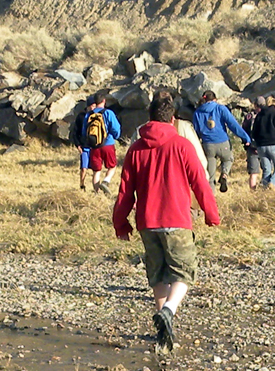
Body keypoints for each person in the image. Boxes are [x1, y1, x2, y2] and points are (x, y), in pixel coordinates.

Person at [112, 91, 221, 351]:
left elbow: (125, 190)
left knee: (158, 274)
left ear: (148, 119)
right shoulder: (181, 145)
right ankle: (169, 312)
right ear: (172, 119)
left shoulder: (136, 149)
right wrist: (211, 213)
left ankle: (163, 333)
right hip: (176, 220)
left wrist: (120, 222)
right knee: (184, 272)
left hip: (147, 222)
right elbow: (200, 183)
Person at [190, 93, 251, 193]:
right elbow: (233, 125)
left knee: (210, 174)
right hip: (222, 142)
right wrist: (245, 138)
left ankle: (211, 198)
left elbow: (196, 131)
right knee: (228, 159)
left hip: (207, 145)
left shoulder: (197, 112)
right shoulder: (220, 108)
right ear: (215, 99)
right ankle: (224, 174)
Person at [79, 94, 122, 194]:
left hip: (94, 146)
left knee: (96, 171)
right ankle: (106, 181)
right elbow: (116, 129)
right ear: (104, 101)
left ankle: (97, 193)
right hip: (108, 144)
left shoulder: (88, 115)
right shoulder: (108, 113)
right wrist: (114, 137)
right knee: (112, 166)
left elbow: (84, 131)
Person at [248, 94, 275, 189]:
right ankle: (272, 183)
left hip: (261, 147)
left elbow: (254, 132)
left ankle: (264, 190)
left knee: (267, 169)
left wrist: (256, 144)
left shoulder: (259, 116)